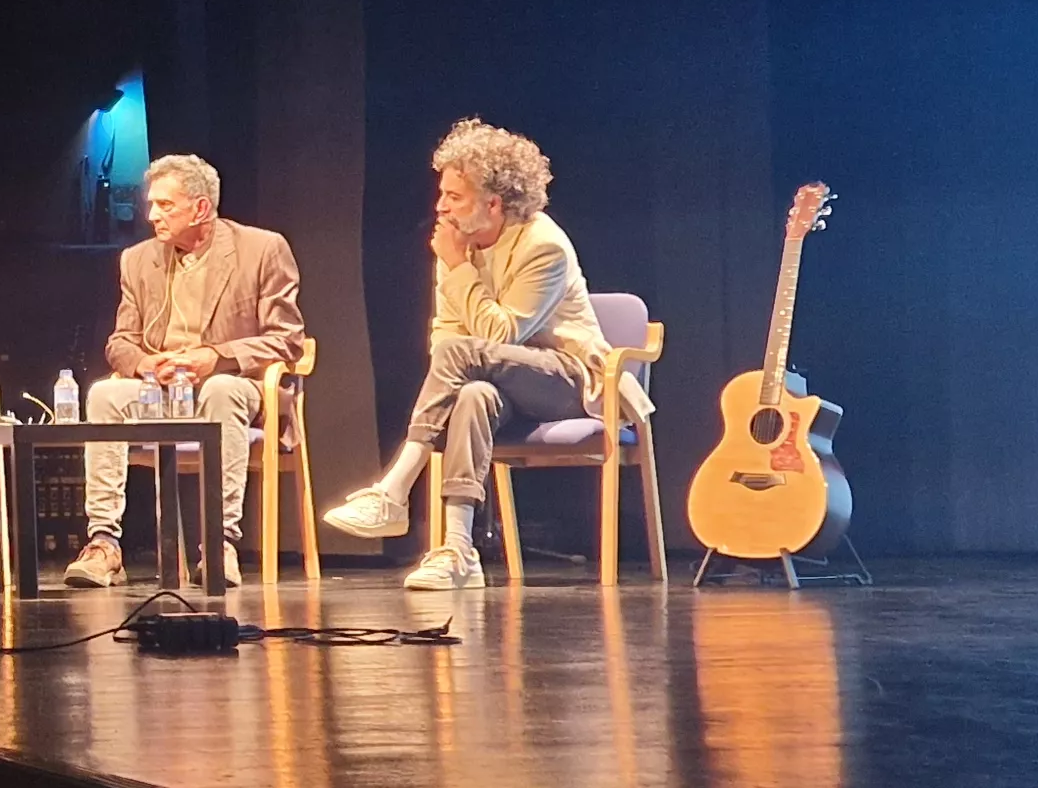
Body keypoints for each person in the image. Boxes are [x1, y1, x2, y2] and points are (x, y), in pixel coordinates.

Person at [323, 119, 649, 589]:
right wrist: (456, 268)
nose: (441, 207)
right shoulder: (459, 246)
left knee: (464, 357)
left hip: (566, 379)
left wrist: (457, 268)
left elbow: (502, 334)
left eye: (454, 197)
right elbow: (445, 336)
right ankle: (458, 551)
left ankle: (394, 489)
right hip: (496, 378)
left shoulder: (544, 245)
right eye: (443, 194)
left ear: (493, 204)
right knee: (473, 394)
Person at [64, 154, 308, 588]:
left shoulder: (262, 249)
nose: (151, 215)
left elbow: (287, 339)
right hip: (160, 391)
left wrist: (217, 356)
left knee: (221, 389)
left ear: (200, 208)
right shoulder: (138, 260)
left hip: (237, 387)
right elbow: (120, 341)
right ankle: (104, 543)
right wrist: (143, 363)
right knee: (103, 395)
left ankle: (220, 543)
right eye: (152, 204)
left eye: (165, 205)